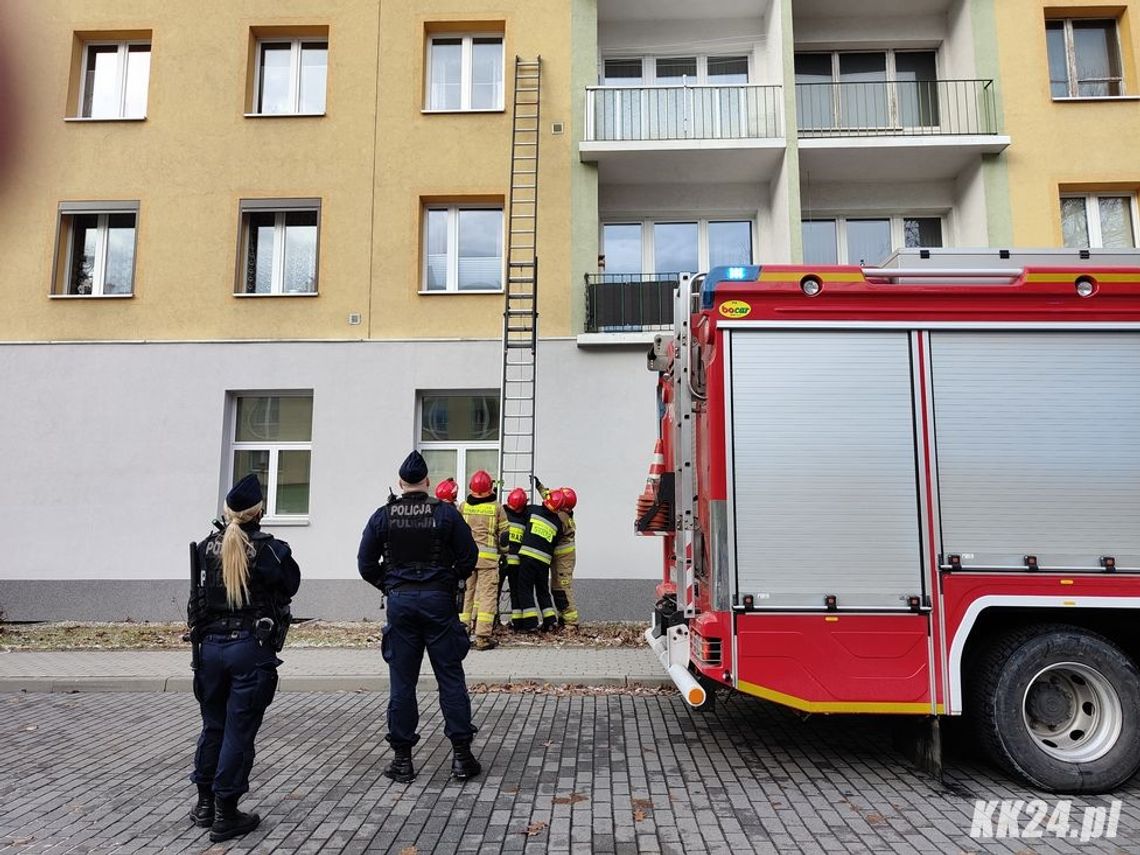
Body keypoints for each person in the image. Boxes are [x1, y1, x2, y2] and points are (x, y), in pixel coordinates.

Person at [187, 473, 301, 843]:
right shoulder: (270, 549)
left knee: (214, 727)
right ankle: (226, 811)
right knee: (238, 731)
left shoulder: (205, 547)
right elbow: (291, 585)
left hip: (211, 653)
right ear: (259, 512)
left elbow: (196, 602)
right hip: (250, 650)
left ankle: (204, 803)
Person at [357, 451, 482, 783]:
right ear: (427, 482)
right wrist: (448, 579)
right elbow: (470, 556)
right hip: (439, 602)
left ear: (401, 483)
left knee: (402, 684)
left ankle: (402, 761)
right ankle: (461, 756)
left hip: (400, 603)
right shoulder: (445, 514)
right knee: (450, 678)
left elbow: (365, 564)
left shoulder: (383, 516)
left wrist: (392, 584)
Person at [457, 470, 509, 650]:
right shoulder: (497, 508)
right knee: (487, 596)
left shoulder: (463, 507)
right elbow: (504, 537)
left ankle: (463, 631)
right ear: (490, 489)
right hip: (488, 561)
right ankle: (482, 637)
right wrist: (504, 554)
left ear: (472, 488)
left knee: (466, 595)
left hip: (467, 560)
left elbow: (456, 532)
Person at [516, 488, 565, 632]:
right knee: (542, 591)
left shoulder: (532, 510)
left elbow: (520, 515)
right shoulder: (557, 524)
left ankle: (531, 623)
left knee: (525, 589)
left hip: (527, 557)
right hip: (544, 561)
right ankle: (550, 621)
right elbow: (555, 542)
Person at [550, 486, 579, 632]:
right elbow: (551, 499)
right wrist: (541, 488)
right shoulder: (565, 512)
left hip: (563, 561)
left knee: (563, 588)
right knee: (556, 588)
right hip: (561, 559)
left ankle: (571, 623)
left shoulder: (561, 517)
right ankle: (563, 618)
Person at [501, 488, 529, 630]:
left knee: (493, 592)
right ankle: (518, 623)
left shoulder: (502, 514)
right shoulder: (524, 520)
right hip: (516, 562)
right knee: (516, 592)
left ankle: (492, 622)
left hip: (501, 560)